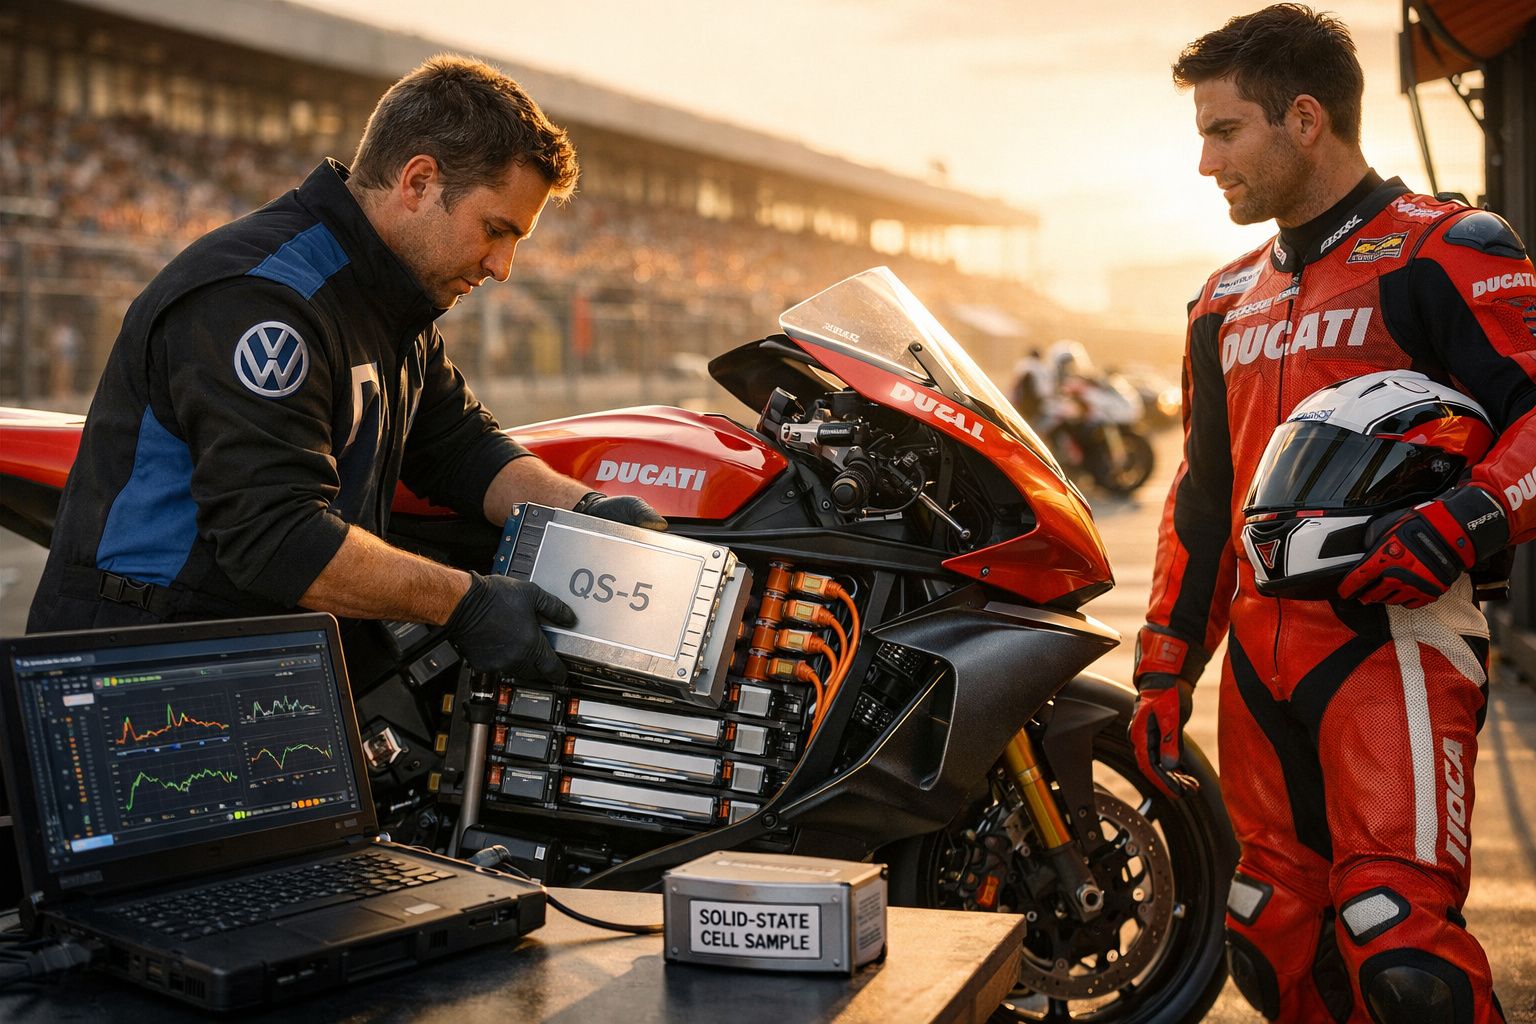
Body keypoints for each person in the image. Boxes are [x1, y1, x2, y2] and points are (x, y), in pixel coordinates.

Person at [1129, 6, 1536, 1023]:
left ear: (1304, 119)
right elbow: (1203, 501)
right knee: (1269, 936)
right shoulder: (1221, 300)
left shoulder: (1445, 250)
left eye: (1224, 131)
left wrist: (1467, 520)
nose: (1204, 160)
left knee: (1403, 953)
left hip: (1390, 642)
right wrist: (1166, 665)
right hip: (1261, 673)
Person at [27, 56, 664, 685]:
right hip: (143, 666)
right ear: (418, 183)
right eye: (495, 231)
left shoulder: (386, 298)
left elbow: (460, 447)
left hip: (248, 651)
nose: (502, 267)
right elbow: (277, 538)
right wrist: (466, 603)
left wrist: (586, 511)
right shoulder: (265, 298)